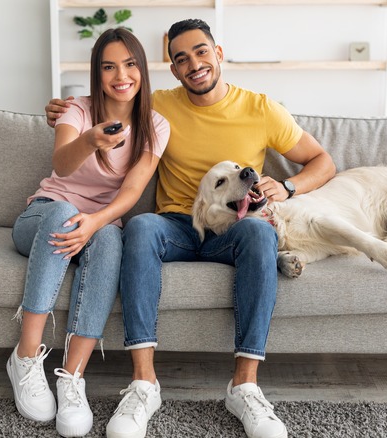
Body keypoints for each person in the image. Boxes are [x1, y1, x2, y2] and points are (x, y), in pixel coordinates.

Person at [47, 19, 335, 438]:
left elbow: (323, 161)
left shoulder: (261, 109)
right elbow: (106, 101)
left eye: (201, 52)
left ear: (218, 54)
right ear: (173, 69)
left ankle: (245, 386)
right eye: (181, 59)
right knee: (141, 226)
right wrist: (59, 110)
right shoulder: (158, 105)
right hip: (176, 225)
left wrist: (289, 186)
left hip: (234, 228)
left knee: (260, 234)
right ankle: (144, 384)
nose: (194, 64)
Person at [9, 28, 169, 438]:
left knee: (114, 235)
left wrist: (96, 222)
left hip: (97, 228)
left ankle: (72, 377)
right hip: (43, 217)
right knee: (64, 210)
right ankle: (25, 358)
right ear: (97, 73)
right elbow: (61, 164)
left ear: (143, 70)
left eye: (130, 64)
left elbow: (132, 191)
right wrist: (90, 141)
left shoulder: (155, 125)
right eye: (109, 66)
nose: (121, 75)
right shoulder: (77, 111)